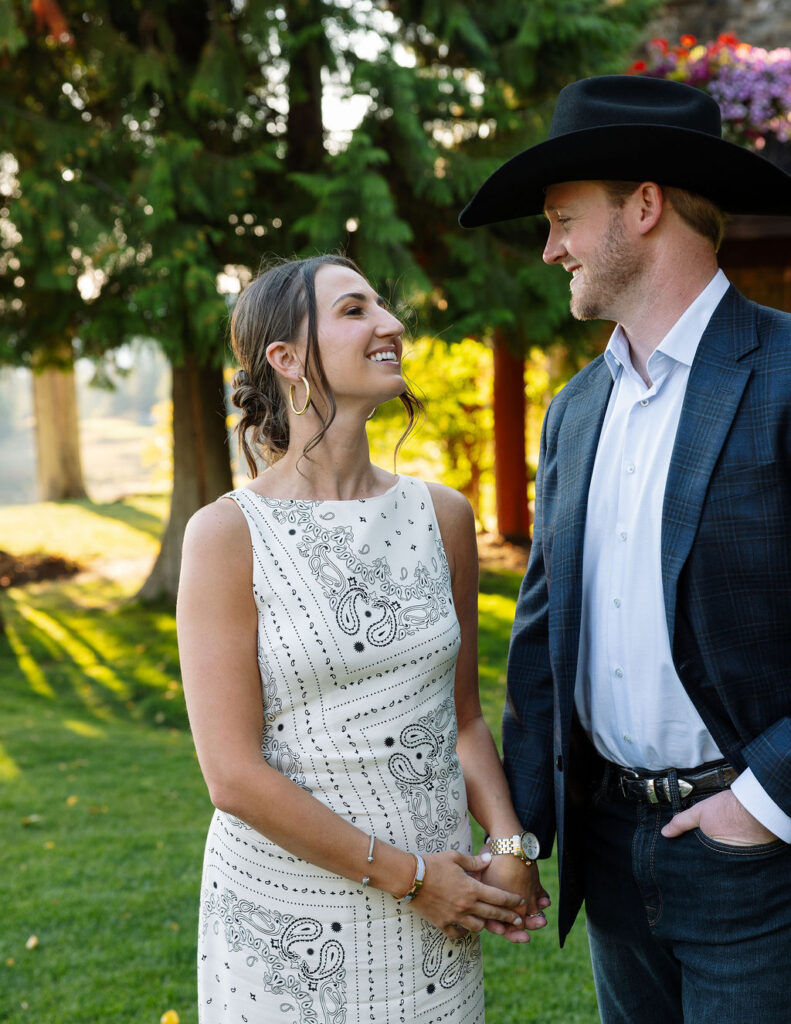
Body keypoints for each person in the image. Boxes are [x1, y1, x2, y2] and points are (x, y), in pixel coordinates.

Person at [459, 75, 791, 1023]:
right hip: (609, 853)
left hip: (756, 858)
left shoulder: (783, 373)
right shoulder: (574, 411)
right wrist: (520, 837)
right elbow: (541, 639)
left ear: (643, 207)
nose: (549, 246)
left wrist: (759, 807)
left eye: (563, 218)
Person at [176, 254, 547, 1023]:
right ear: (285, 359)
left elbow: (464, 718)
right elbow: (232, 776)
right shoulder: (226, 535)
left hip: (440, 909)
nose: (391, 325)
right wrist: (411, 878)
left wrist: (509, 846)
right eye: (354, 310)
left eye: (383, 306)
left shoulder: (442, 515)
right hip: (289, 920)